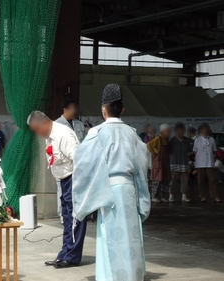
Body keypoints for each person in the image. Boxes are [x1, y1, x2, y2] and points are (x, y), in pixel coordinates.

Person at [73, 84, 151, 281]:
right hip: (129, 190)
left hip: (109, 191)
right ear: (122, 109)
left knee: (110, 237)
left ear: (103, 110)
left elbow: (82, 163)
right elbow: (143, 163)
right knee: (131, 237)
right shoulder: (132, 133)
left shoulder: (96, 133)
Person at [27, 111, 87, 269]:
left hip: (74, 178)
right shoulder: (50, 136)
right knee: (66, 218)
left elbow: (79, 159)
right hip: (64, 180)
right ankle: (65, 252)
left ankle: (72, 256)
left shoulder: (63, 134)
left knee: (74, 217)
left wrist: (78, 185)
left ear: (43, 123)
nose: (37, 134)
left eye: (36, 130)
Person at [55, 100, 86, 223]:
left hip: (78, 163)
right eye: (72, 110)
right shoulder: (57, 124)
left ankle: (76, 212)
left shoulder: (79, 124)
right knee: (62, 191)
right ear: (65, 110)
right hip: (63, 164)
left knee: (77, 189)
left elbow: (83, 141)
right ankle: (63, 214)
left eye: (76, 110)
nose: (75, 112)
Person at [193, 122, 221, 203]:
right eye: (204, 130)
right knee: (201, 180)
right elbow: (195, 151)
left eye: (206, 130)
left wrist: (214, 160)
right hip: (200, 163)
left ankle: (215, 196)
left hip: (210, 162)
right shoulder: (197, 140)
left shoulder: (212, 139)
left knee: (212, 180)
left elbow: (214, 151)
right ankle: (203, 196)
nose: (205, 132)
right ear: (201, 131)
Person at [147, 124, 172, 203]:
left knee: (166, 180)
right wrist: (154, 153)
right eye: (167, 131)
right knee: (156, 180)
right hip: (159, 162)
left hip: (166, 162)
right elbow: (149, 145)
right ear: (163, 131)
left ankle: (164, 197)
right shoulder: (158, 138)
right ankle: (154, 196)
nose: (168, 133)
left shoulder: (167, 139)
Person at [169, 122, 191, 203]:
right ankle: (171, 195)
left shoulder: (186, 140)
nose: (180, 132)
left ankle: (184, 196)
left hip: (184, 163)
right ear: (175, 131)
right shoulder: (172, 140)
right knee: (173, 180)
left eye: (182, 131)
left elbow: (189, 151)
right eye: (178, 131)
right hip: (174, 162)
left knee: (185, 180)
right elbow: (169, 151)